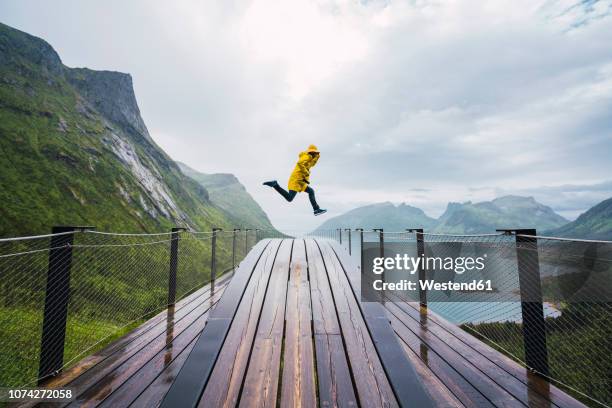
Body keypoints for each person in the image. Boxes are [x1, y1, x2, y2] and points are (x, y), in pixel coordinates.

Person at [263, 144, 327, 216]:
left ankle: (316, 209)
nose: (316, 154)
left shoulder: (310, 158)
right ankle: (275, 185)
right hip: (296, 180)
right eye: (315, 153)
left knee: (311, 191)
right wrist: (306, 172)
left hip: (301, 181)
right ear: (312, 152)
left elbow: (312, 164)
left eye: (316, 153)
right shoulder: (307, 156)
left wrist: (317, 157)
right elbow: (299, 163)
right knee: (290, 198)